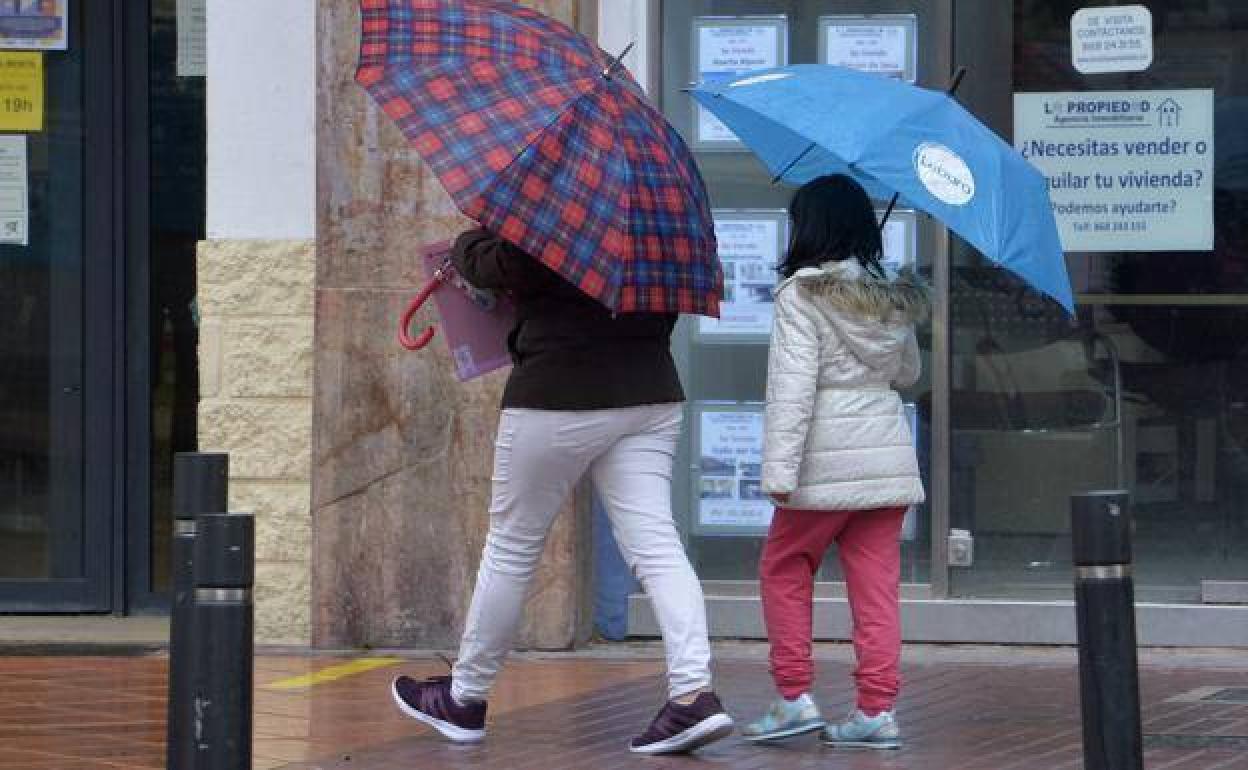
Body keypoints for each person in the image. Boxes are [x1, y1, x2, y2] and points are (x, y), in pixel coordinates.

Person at [390, 227, 734, 755]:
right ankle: (693, 693)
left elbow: (507, 264)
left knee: (511, 546)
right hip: (649, 391)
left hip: (557, 391)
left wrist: (467, 245)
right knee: (657, 546)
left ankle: (466, 697)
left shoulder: (567, 200)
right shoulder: (660, 209)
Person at [742, 174, 929, 750]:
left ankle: (794, 696)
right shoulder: (890, 294)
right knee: (877, 589)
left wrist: (778, 471)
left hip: (823, 463)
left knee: (784, 567)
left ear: (810, 228)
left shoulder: (802, 293)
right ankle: (876, 710)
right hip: (884, 459)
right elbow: (908, 376)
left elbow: (792, 389)